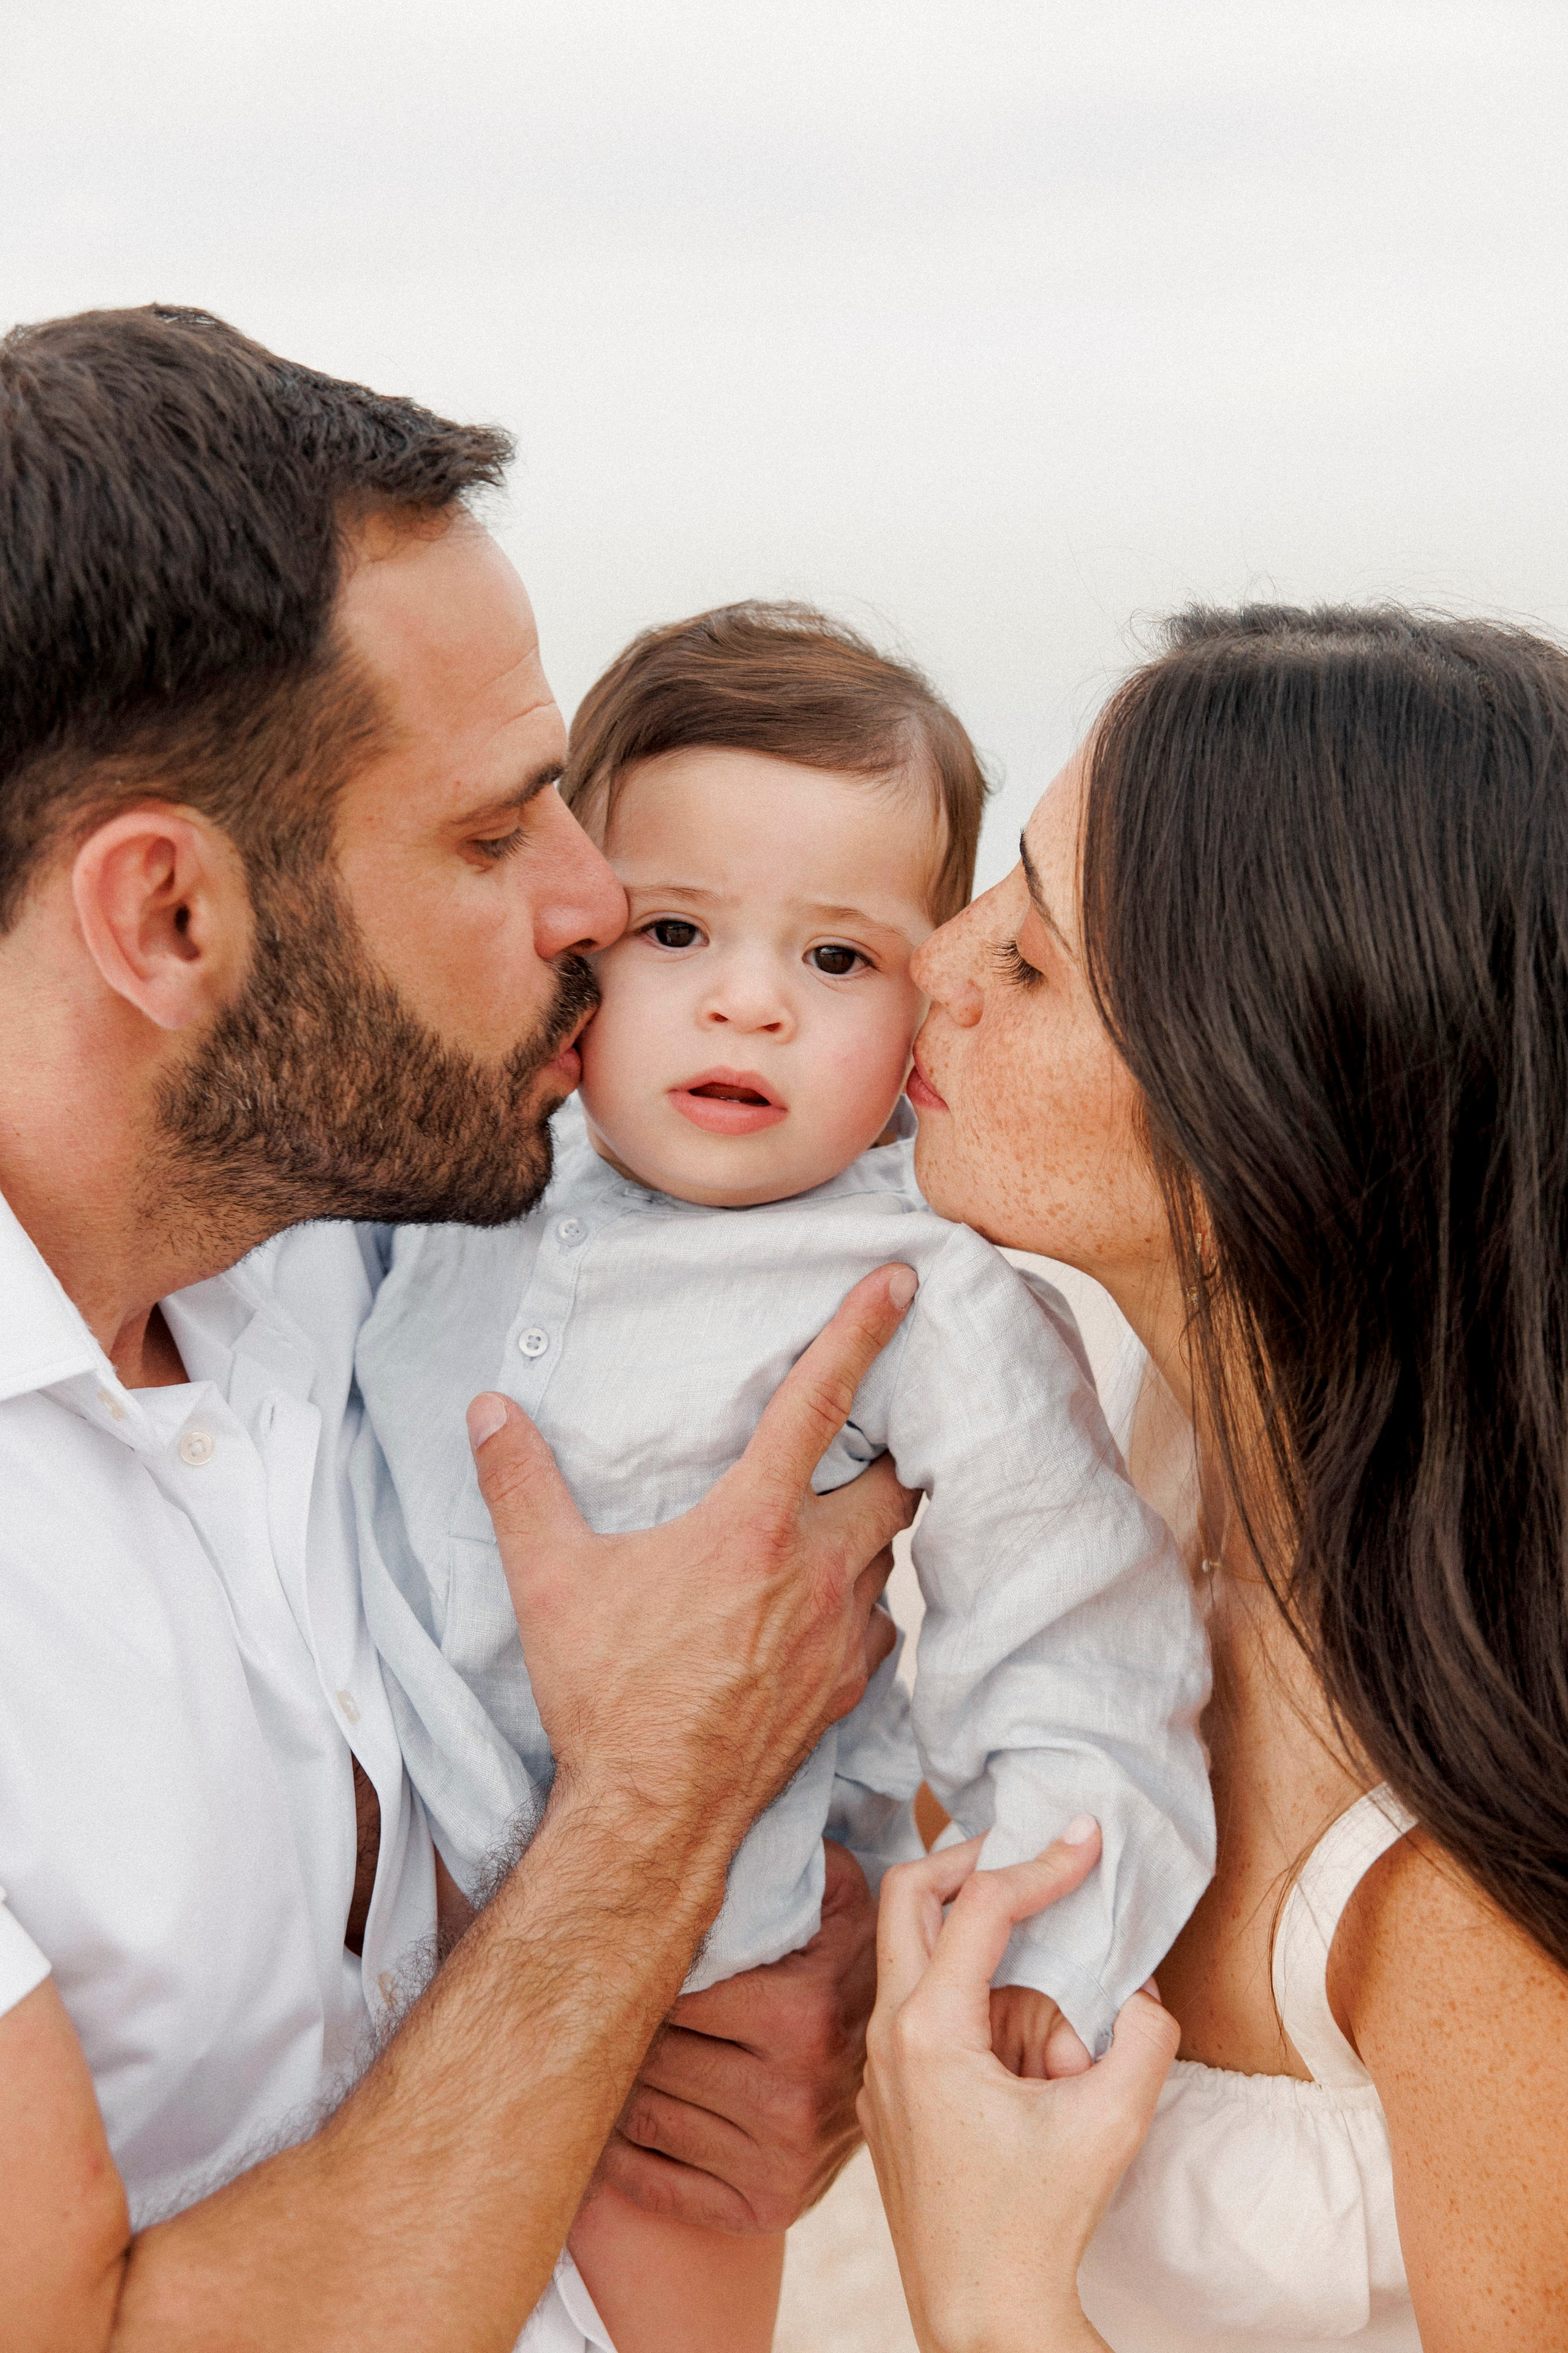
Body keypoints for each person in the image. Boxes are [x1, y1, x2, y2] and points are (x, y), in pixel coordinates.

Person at [0, 305, 920, 2353]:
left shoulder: (357, 1245)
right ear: (166, 920)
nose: (602, 900)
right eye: (499, 834)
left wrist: (798, 1986)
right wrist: (658, 1823)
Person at [351, 602, 1214, 2351]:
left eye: (836, 958)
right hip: (361, 1957)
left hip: (696, 2010)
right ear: (579, 935)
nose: (749, 995)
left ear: (923, 1009)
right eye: (678, 928)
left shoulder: (922, 1282)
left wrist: (1034, 1958)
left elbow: (1069, 1631)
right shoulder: (438, 1182)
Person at [858, 605, 1568, 2351]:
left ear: (1274, 1109)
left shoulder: (1474, 1883)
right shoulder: (1136, 1529)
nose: (930, 960)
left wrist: (991, 2292)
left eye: (1029, 959)